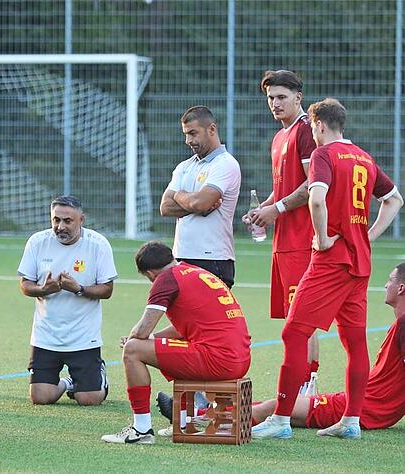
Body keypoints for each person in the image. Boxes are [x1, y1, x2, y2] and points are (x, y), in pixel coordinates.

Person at [253, 98, 403, 440]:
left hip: (331, 263)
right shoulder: (363, 157)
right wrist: (367, 237)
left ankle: (280, 419)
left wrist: (320, 238)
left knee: (294, 334)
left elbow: (316, 197)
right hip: (360, 264)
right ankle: (351, 421)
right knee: (354, 343)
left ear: (319, 125)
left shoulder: (325, 154)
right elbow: (394, 199)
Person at [101, 241, 250, 445]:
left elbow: (143, 329)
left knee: (132, 350)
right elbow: (185, 329)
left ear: (150, 274)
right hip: (239, 357)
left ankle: (141, 429)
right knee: (161, 347)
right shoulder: (193, 270)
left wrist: (133, 338)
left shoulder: (165, 280)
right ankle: (180, 423)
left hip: (217, 359)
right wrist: (152, 340)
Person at [250, 263, 405, 432]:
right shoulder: (400, 323)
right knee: (277, 404)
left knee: (271, 407)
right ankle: (226, 415)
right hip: (364, 402)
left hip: (367, 407)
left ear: (401, 288)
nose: (385, 285)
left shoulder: (404, 324)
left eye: (390, 280)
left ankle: (222, 423)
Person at [245, 70, 320, 391]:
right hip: (284, 239)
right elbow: (285, 187)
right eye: (271, 99)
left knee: (303, 318)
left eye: (281, 98)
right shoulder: (280, 136)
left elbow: (312, 184)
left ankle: (308, 384)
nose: (275, 104)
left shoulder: (305, 131)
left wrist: (276, 209)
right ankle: (301, 382)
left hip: (303, 237)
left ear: (298, 98)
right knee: (293, 316)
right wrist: (265, 210)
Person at [17, 196, 117, 406]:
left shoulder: (98, 245)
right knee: (41, 398)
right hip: (46, 335)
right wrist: (43, 289)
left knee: (89, 400)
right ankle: (69, 382)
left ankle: (98, 375)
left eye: (67, 221)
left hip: (83, 336)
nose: (60, 226)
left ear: (81, 219)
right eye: (56, 220)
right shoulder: (37, 242)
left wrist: (78, 289)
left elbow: (107, 290)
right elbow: (25, 284)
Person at [159, 106, 240, 288]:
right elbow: (165, 207)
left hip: (213, 258)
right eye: (186, 134)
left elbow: (200, 202)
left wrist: (179, 195)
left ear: (212, 129)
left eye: (193, 133)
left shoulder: (225, 164)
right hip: (181, 256)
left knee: (212, 317)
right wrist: (195, 203)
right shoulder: (184, 166)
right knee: (184, 317)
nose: (188, 140)